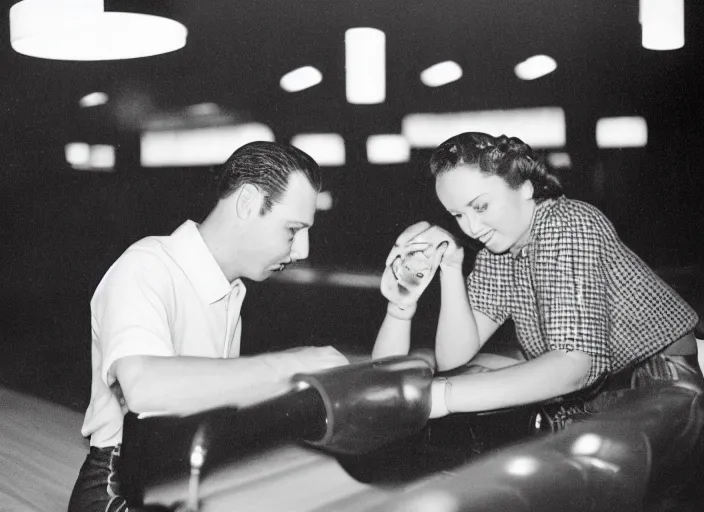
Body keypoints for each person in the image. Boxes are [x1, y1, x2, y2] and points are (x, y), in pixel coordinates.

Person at [68, 141, 349, 512]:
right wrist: (293, 364)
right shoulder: (146, 266)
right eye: (293, 229)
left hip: (181, 476)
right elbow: (143, 386)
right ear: (247, 203)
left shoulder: (231, 290)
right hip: (118, 492)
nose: (302, 251)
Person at [373, 131, 701, 425]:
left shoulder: (568, 224)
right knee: (470, 375)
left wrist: (443, 396)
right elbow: (453, 357)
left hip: (661, 378)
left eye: (482, 206)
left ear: (525, 187)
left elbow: (576, 366)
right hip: (602, 390)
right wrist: (450, 267)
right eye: (458, 214)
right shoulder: (498, 251)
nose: (471, 228)